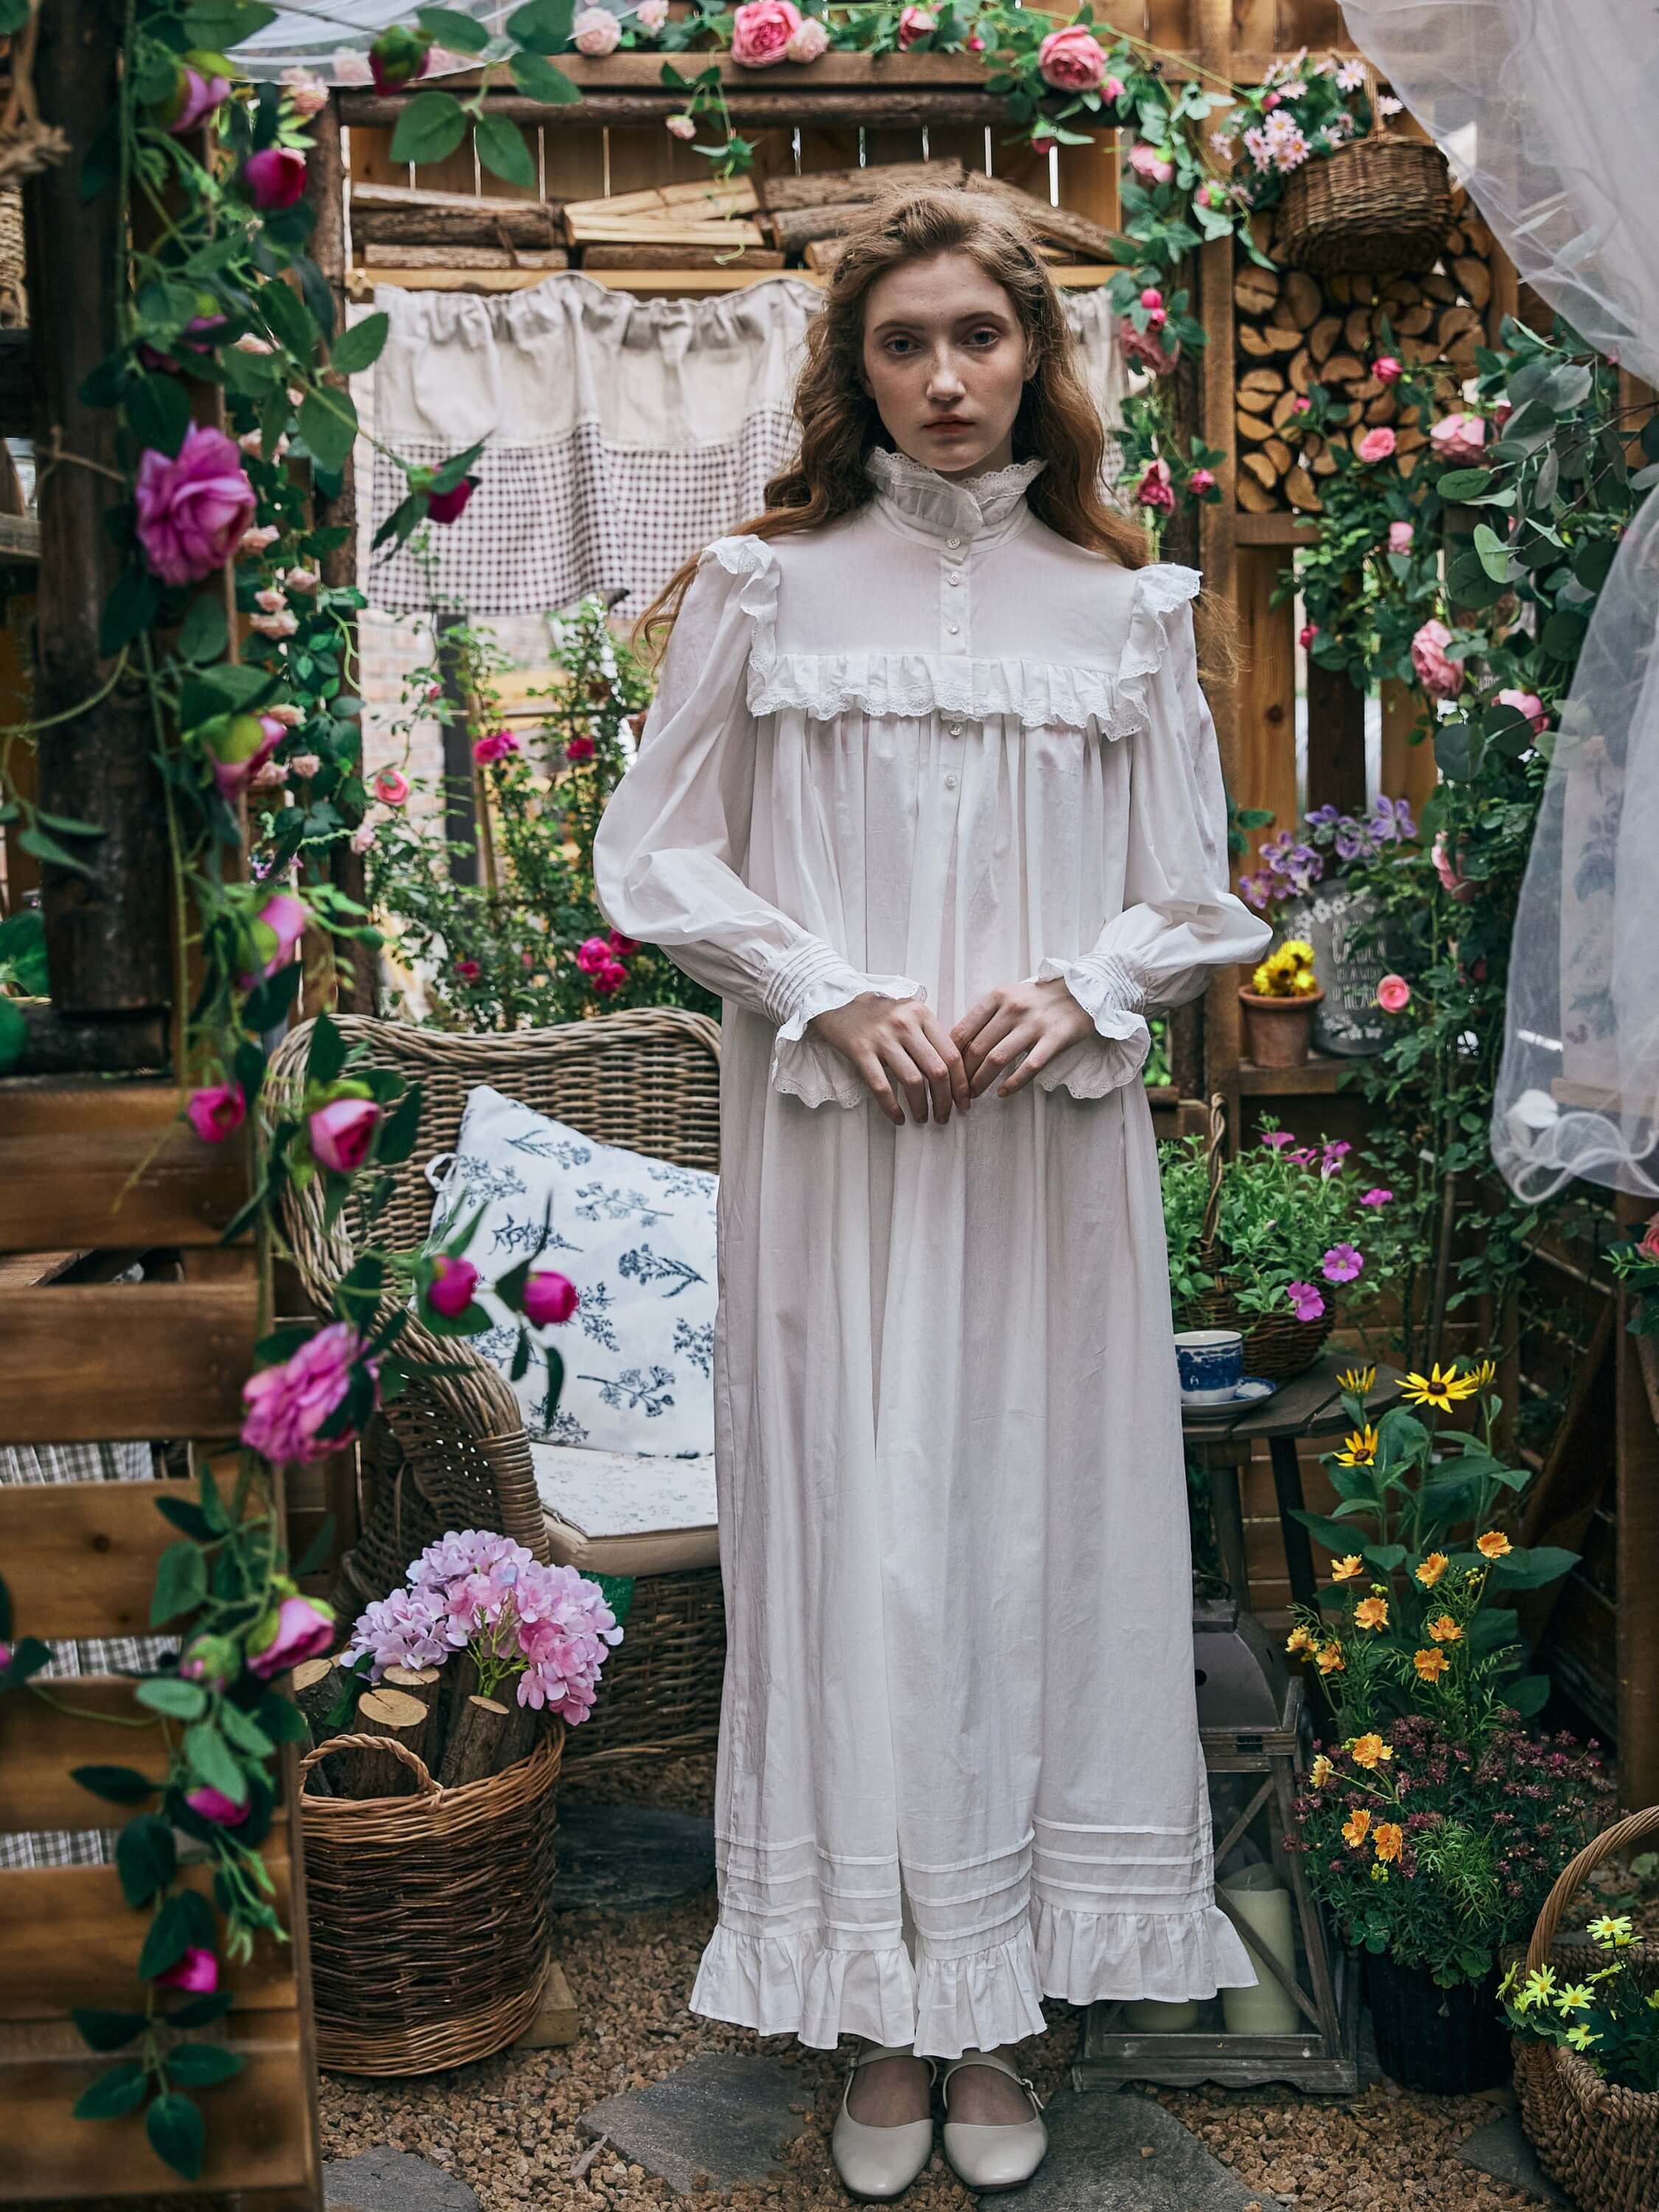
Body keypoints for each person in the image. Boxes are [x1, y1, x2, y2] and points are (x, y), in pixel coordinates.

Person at [591, 184, 1267, 2201]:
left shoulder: (1125, 613)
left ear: (1034, 357)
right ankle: (881, 2012)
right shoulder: (761, 589)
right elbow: (653, 857)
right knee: (859, 1549)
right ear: (853, 369)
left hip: (1043, 1165)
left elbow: (1194, 895)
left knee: (1038, 1548)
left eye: (979, 335)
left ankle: (1006, 2016)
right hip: (837, 1159)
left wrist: (1074, 983)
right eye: (904, 342)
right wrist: (833, 990)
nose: (947, 377)